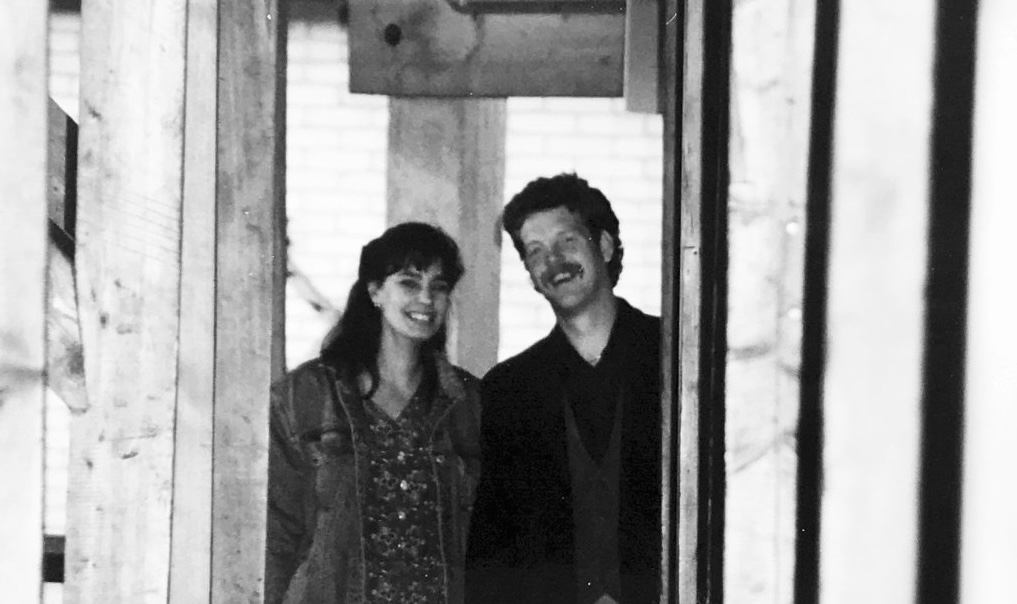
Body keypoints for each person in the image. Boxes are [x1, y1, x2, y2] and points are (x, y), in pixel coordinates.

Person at [466, 173, 661, 604]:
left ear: (604, 246)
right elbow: (492, 548)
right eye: (535, 251)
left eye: (566, 241)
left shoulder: (676, 360)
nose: (553, 261)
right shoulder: (509, 389)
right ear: (531, 276)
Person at [266, 222, 482, 604]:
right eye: (409, 283)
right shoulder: (306, 395)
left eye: (439, 286)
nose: (426, 298)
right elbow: (275, 534)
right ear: (375, 291)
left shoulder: (469, 403)